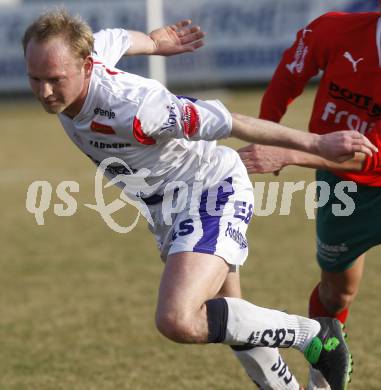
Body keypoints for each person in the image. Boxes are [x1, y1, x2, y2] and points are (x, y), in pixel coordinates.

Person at [23, 9, 375, 390]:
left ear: (86, 67)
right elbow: (117, 37)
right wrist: (155, 43)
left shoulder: (135, 107)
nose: (44, 92)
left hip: (209, 190)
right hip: (168, 209)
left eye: (55, 80)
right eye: (35, 79)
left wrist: (316, 143)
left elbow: (229, 120)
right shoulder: (84, 55)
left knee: (178, 318)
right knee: (235, 321)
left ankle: (316, 335)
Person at [238, 8, 381, 390]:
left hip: (357, 168)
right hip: (342, 185)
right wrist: (268, 132)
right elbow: (290, 74)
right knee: (336, 293)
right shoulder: (335, 30)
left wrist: (288, 152)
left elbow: (375, 155)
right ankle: (324, 377)